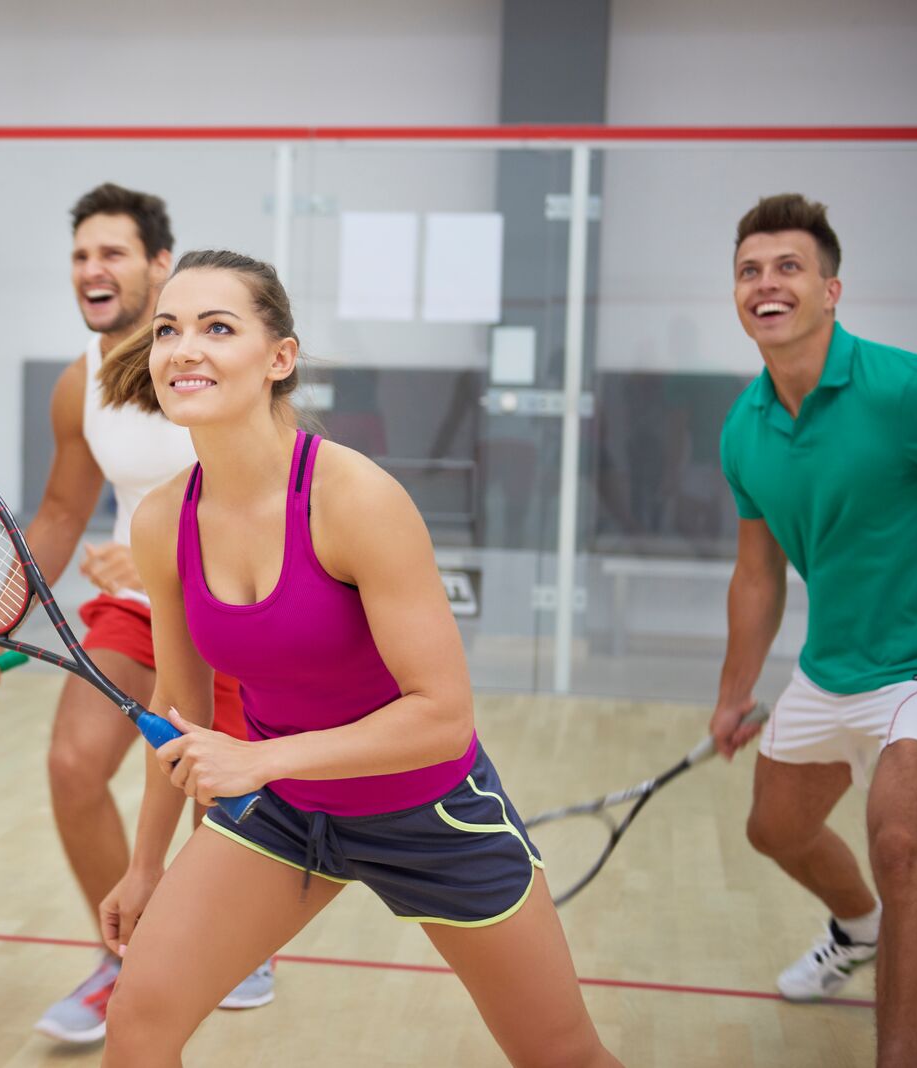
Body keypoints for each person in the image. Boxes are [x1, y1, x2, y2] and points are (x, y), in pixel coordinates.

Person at [95, 250, 619, 1068]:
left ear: (280, 359)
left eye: (216, 327)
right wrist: (145, 864)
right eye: (168, 329)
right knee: (138, 1023)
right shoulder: (164, 521)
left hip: (430, 815)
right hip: (284, 813)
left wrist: (259, 758)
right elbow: (182, 710)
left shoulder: (356, 500)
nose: (182, 348)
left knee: (562, 1055)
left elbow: (442, 719)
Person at [0, 184, 270, 1044]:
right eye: (82, 255)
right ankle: (123, 958)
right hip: (136, 606)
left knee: (215, 799)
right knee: (72, 764)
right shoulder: (78, 383)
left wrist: (180, 555)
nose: (94, 269)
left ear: (160, 266)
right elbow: (58, 514)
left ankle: (229, 940)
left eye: (113, 252)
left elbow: (262, 489)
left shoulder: (207, 366)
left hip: (233, 608)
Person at [710, 193, 917, 1063]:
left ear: (831, 291)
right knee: (775, 829)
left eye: (789, 266)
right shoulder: (745, 429)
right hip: (834, 667)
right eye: (751, 270)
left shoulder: (902, 389)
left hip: (913, 665)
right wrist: (733, 695)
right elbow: (759, 574)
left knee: (902, 846)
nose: (768, 283)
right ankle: (859, 929)